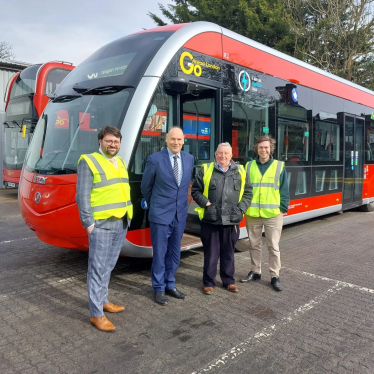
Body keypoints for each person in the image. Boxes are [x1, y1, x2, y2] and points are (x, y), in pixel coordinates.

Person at [76, 126, 132, 332]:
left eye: (116, 142)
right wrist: (89, 224)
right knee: (97, 269)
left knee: (108, 266)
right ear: (100, 141)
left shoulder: (120, 162)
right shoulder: (88, 161)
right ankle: (96, 314)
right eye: (109, 141)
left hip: (121, 222)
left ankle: (103, 300)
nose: (113, 145)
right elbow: (81, 196)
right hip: (101, 225)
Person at [141, 127, 194, 305]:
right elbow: (145, 188)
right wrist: (156, 204)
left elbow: (184, 187)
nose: (176, 142)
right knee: (160, 253)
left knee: (174, 253)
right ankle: (158, 288)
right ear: (166, 139)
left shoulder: (189, 159)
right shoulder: (154, 160)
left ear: (183, 140)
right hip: (161, 215)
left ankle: (170, 283)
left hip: (180, 215)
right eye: (173, 139)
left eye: (179, 139)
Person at [191, 142, 252, 295]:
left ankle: (229, 281)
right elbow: (196, 190)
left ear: (231, 156)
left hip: (232, 220)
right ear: (215, 155)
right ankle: (209, 282)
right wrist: (205, 203)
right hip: (211, 219)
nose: (223, 156)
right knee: (211, 253)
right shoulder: (205, 170)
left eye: (226, 153)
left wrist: (241, 209)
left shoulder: (241, 171)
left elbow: (248, 193)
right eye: (220, 153)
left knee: (228, 252)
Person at [240, 135, 289, 291]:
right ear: (257, 149)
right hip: (252, 213)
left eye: (266, 147)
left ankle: (275, 276)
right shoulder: (248, 166)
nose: (263, 150)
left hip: (273, 214)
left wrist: (283, 208)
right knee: (254, 245)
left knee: (273, 246)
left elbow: (284, 189)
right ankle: (256, 272)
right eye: (261, 147)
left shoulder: (279, 166)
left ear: (271, 149)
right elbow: (243, 188)